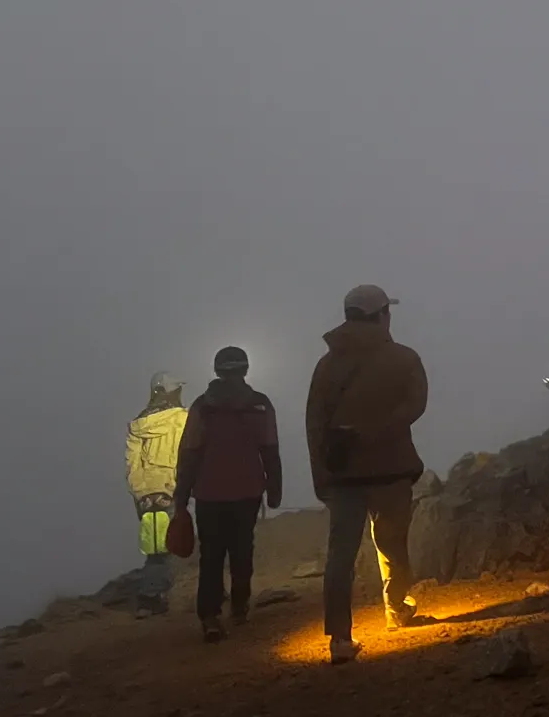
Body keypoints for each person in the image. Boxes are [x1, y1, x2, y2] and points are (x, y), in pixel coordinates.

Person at [306, 284, 430, 664]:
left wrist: (321, 477)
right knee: (392, 546)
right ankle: (396, 609)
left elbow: (315, 424)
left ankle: (340, 639)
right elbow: (416, 405)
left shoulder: (327, 366)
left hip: (344, 476)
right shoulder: (404, 359)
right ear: (381, 316)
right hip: (391, 470)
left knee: (339, 557)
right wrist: (383, 430)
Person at [172, 346, 283, 642]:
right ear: (245, 370)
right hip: (247, 491)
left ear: (217, 371)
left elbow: (190, 454)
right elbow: (270, 450)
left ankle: (209, 616)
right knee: (242, 548)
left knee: (211, 555)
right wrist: (274, 489)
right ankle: (239, 606)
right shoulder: (259, 405)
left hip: (209, 493)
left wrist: (181, 499)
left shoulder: (202, 407)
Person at [124, 371, 189, 615]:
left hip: (145, 496)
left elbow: (132, 467)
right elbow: (189, 456)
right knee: (169, 548)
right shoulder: (184, 419)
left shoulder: (138, 425)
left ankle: (154, 596)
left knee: (155, 547)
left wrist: (142, 494)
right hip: (173, 492)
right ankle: (151, 597)